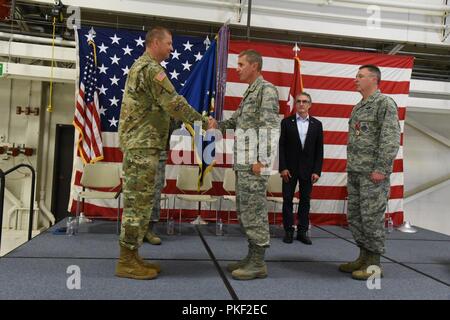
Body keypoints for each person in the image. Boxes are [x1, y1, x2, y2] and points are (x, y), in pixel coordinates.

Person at [116, 26, 208, 280]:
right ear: (155, 42)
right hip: (142, 146)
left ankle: (133, 256)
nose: (171, 48)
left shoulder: (146, 67)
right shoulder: (150, 69)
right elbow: (174, 103)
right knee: (137, 206)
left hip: (146, 145)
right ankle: (126, 261)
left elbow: (163, 111)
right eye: (168, 43)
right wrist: (200, 120)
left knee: (143, 204)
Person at [209, 49, 280, 280]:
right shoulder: (250, 92)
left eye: (241, 64)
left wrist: (263, 160)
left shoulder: (266, 90)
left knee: (255, 213)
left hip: (254, 165)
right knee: (246, 212)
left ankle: (258, 263)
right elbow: (235, 121)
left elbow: (270, 128)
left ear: (254, 66)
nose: (236, 68)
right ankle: (251, 257)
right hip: (244, 164)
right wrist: (216, 125)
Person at [339, 64, 400, 280]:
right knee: (356, 217)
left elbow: (391, 139)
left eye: (360, 76)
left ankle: (374, 265)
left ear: (373, 80)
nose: (355, 79)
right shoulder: (359, 107)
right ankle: (363, 257)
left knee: (372, 219)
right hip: (356, 172)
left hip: (373, 175)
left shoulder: (384, 104)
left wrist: (381, 169)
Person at [279, 92, 323, 245]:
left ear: (310, 104)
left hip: (308, 170)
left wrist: (317, 170)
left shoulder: (317, 124)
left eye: (305, 101)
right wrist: (283, 168)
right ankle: (289, 231)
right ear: (295, 104)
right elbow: (281, 147)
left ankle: (302, 231)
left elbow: (319, 150)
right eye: (298, 101)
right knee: (287, 200)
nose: (301, 104)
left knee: (305, 200)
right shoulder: (286, 123)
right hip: (289, 170)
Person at [144, 119, 181, 245]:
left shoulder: (167, 104)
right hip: (139, 151)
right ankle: (134, 228)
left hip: (159, 152)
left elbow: (176, 123)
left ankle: (149, 229)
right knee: (136, 192)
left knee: (155, 192)